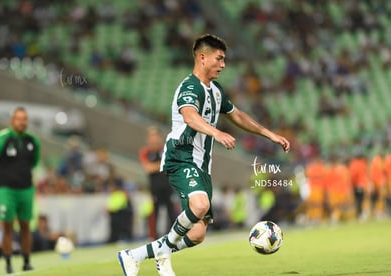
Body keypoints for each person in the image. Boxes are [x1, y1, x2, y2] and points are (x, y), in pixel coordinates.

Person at [117, 34, 290, 276]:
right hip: (181, 156)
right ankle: (163, 252)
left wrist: (268, 134)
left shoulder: (216, 90)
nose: (223, 64)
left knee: (197, 234)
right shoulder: (189, 87)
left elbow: (237, 115)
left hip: (201, 165)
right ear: (202, 57)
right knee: (200, 204)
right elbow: (189, 116)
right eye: (219, 59)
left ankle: (133, 256)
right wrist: (216, 132)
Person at [0, 107, 40, 274]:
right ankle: (8, 264)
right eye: (18, 119)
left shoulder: (32, 141)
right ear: (12, 121)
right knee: (7, 226)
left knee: (25, 226)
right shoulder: (1, 140)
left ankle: (26, 262)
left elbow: (34, 162)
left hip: (26, 189)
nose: (22, 122)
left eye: (24, 119)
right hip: (6, 190)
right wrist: (5, 176)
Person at [139, 126, 176, 240]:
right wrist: (162, 165)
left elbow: (172, 164)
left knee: (171, 212)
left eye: (155, 135)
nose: (154, 139)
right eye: (151, 136)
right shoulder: (145, 152)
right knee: (155, 213)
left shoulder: (166, 149)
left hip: (168, 186)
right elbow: (148, 168)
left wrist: (160, 166)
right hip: (154, 188)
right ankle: (153, 238)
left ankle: (174, 236)